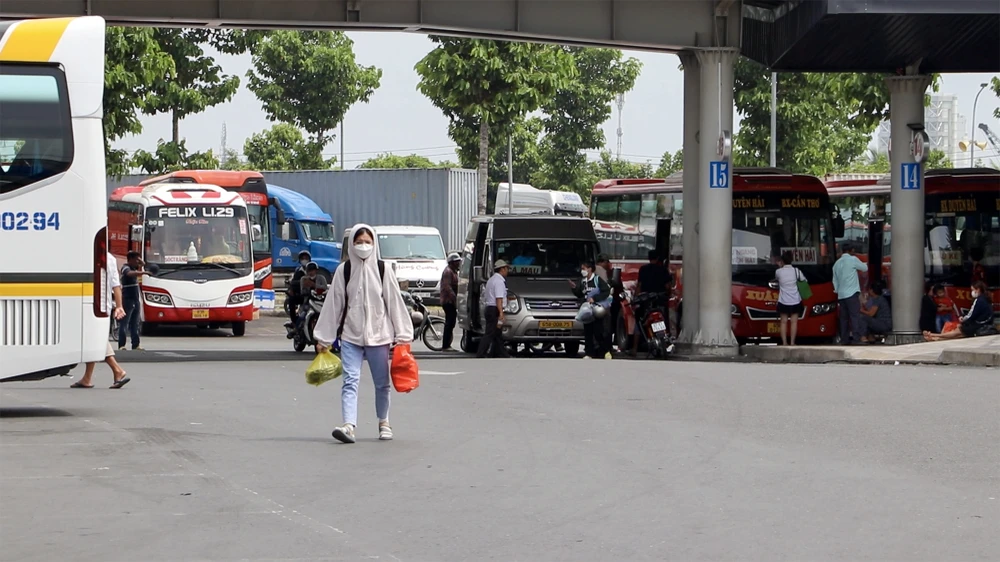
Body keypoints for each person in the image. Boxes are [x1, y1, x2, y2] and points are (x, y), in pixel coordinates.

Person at [314, 224, 413, 444]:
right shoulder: (344, 271)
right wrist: (324, 338)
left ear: (374, 244)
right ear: (351, 245)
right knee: (350, 380)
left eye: (367, 242)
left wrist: (404, 336)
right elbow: (334, 305)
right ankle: (349, 426)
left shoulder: (383, 269)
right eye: (359, 242)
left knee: (382, 383)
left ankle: (384, 422)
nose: (363, 246)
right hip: (351, 336)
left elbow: (394, 302)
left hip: (379, 335)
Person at [71, 252, 131, 389]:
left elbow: (116, 285)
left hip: (95, 304)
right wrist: (119, 306)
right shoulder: (107, 258)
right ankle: (87, 378)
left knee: (95, 338)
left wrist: (120, 306)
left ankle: (117, 370)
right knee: (93, 339)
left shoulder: (101, 257)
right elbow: (116, 285)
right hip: (100, 304)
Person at [924, 281, 995, 341]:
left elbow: (972, 315)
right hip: (983, 324)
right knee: (958, 334)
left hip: (977, 325)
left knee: (957, 331)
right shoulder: (986, 299)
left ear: (978, 289)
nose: (972, 292)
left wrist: (963, 321)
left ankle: (934, 335)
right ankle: (936, 337)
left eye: (973, 290)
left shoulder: (979, 300)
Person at [633, 250, 672, 355]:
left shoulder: (643, 269)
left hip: (645, 301)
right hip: (659, 300)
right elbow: (668, 287)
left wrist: (635, 299)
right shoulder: (663, 270)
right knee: (664, 319)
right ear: (658, 258)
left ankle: (634, 348)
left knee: (638, 321)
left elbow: (639, 286)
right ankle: (668, 338)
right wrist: (667, 295)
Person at [570, 260, 611, 359]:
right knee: (588, 332)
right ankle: (589, 353)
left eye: (583, 268)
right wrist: (575, 288)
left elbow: (606, 291)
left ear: (590, 269)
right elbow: (580, 294)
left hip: (597, 310)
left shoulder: (597, 279)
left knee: (598, 332)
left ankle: (605, 352)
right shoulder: (583, 281)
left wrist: (595, 299)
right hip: (587, 310)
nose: (582, 271)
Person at [832, 242, 868, 345]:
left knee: (843, 318)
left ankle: (844, 339)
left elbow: (834, 280)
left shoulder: (837, 263)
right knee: (854, 317)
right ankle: (856, 339)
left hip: (841, 295)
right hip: (851, 294)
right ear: (851, 250)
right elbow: (865, 268)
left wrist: (837, 291)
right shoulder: (853, 260)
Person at [477, 259, 511, 359]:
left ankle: (499, 353)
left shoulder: (491, 280)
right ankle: (481, 353)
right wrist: (501, 313)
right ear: (502, 269)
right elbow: (498, 299)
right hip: (494, 309)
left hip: (490, 308)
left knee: (497, 334)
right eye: (506, 269)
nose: (507, 271)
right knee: (490, 333)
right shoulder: (499, 282)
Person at [774, 251, 805, 346]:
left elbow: (777, 278)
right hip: (795, 300)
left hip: (783, 300)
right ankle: (792, 342)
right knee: (794, 322)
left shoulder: (778, 272)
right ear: (791, 260)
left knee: (783, 322)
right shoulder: (796, 271)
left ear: (782, 261)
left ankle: (784, 343)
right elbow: (804, 281)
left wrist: (780, 266)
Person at [118, 251, 148, 351]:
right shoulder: (125, 267)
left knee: (135, 323)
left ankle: (135, 344)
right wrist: (143, 272)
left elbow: (143, 264)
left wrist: (140, 260)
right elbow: (130, 274)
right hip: (128, 299)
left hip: (135, 299)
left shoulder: (134, 266)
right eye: (135, 260)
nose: (137, 262)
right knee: (124, 323)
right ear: (130, 259)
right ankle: (121, 345)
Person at [596, 254, 621, 355]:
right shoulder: (600, 270)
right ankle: (606, 348)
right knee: (606, 326)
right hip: (602, 303)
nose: (608, 264)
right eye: (607, 262)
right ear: (602, 262)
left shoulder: (595, 270)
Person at [440, 253, 461, 352]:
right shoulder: (448, 272)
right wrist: (455, 298)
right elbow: (447, 287)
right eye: (457, 262)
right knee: (449, 322)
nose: (459, 263)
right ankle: (446, 345)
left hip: (451, 300)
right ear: (452, 263)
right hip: (448, 301)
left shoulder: (454, 272)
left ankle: (448, 344)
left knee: (451, 322)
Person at [285, 250, 312, 328]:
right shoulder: (298, 271)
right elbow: (293, 283)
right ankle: (294, 322)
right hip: (301, 296)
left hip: (313, 295)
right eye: (302, 258)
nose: (304, 260)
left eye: (306, 258)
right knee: (291, 300)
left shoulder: (314, 269)